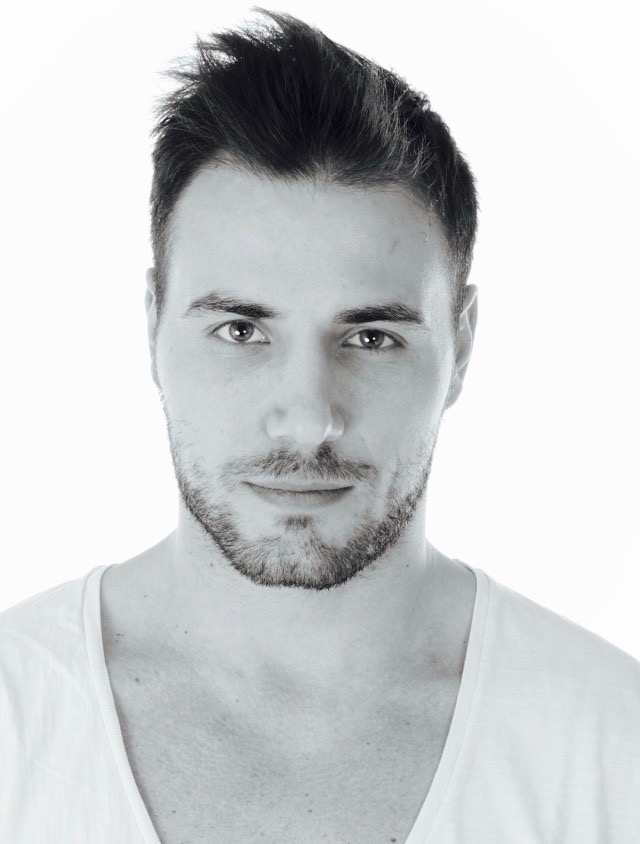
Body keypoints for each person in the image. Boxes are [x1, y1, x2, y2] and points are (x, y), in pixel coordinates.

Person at [1, 8, 638, 844]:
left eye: (371, 338)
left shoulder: (612, 749)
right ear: (152, 323)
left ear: (463, 345)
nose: (307, 419)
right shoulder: (16, 720)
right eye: (241, 330)